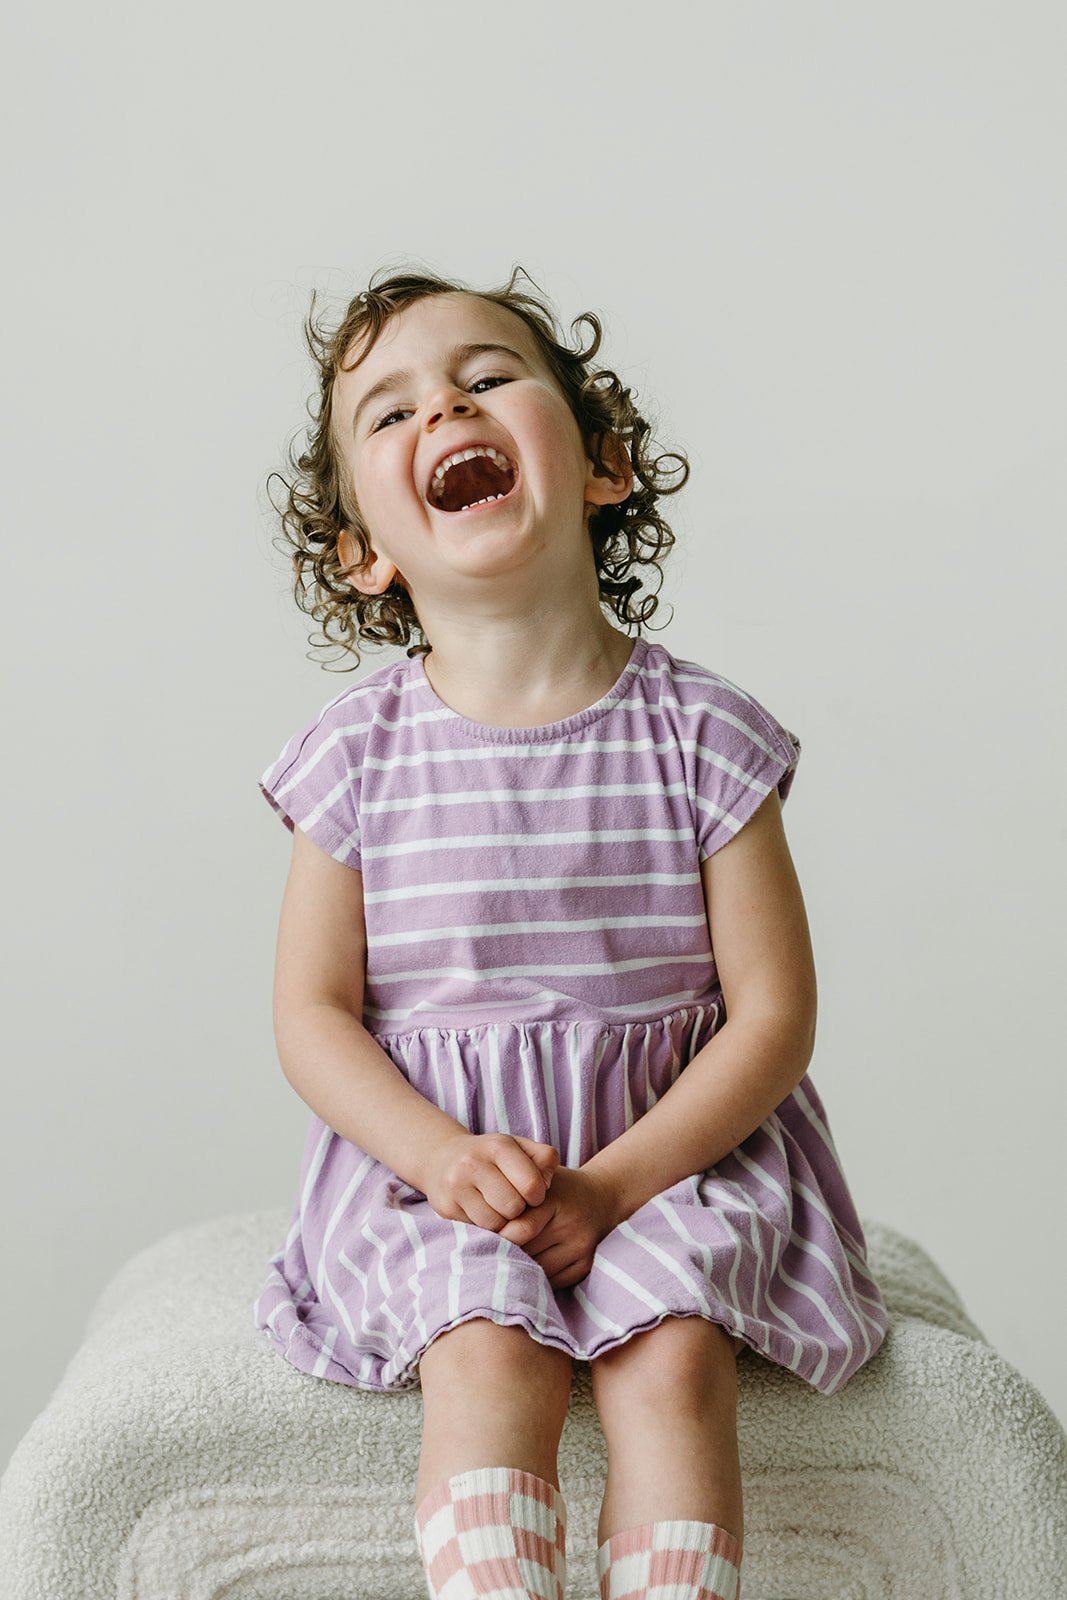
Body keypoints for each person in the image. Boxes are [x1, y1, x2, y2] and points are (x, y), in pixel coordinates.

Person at [253, 263, 889, 1600]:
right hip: (440, 1165)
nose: (443, 408)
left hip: (671, 1155)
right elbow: (311, 1013)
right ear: (361, 549)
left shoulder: (704, 733)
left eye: (487, 378)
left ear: (601, 462)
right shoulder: (355, 757)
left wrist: (617, 1187)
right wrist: (435, 1156)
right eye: (389, 412)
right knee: (486, 1348)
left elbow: (772, 1014)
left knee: (673, 1355)